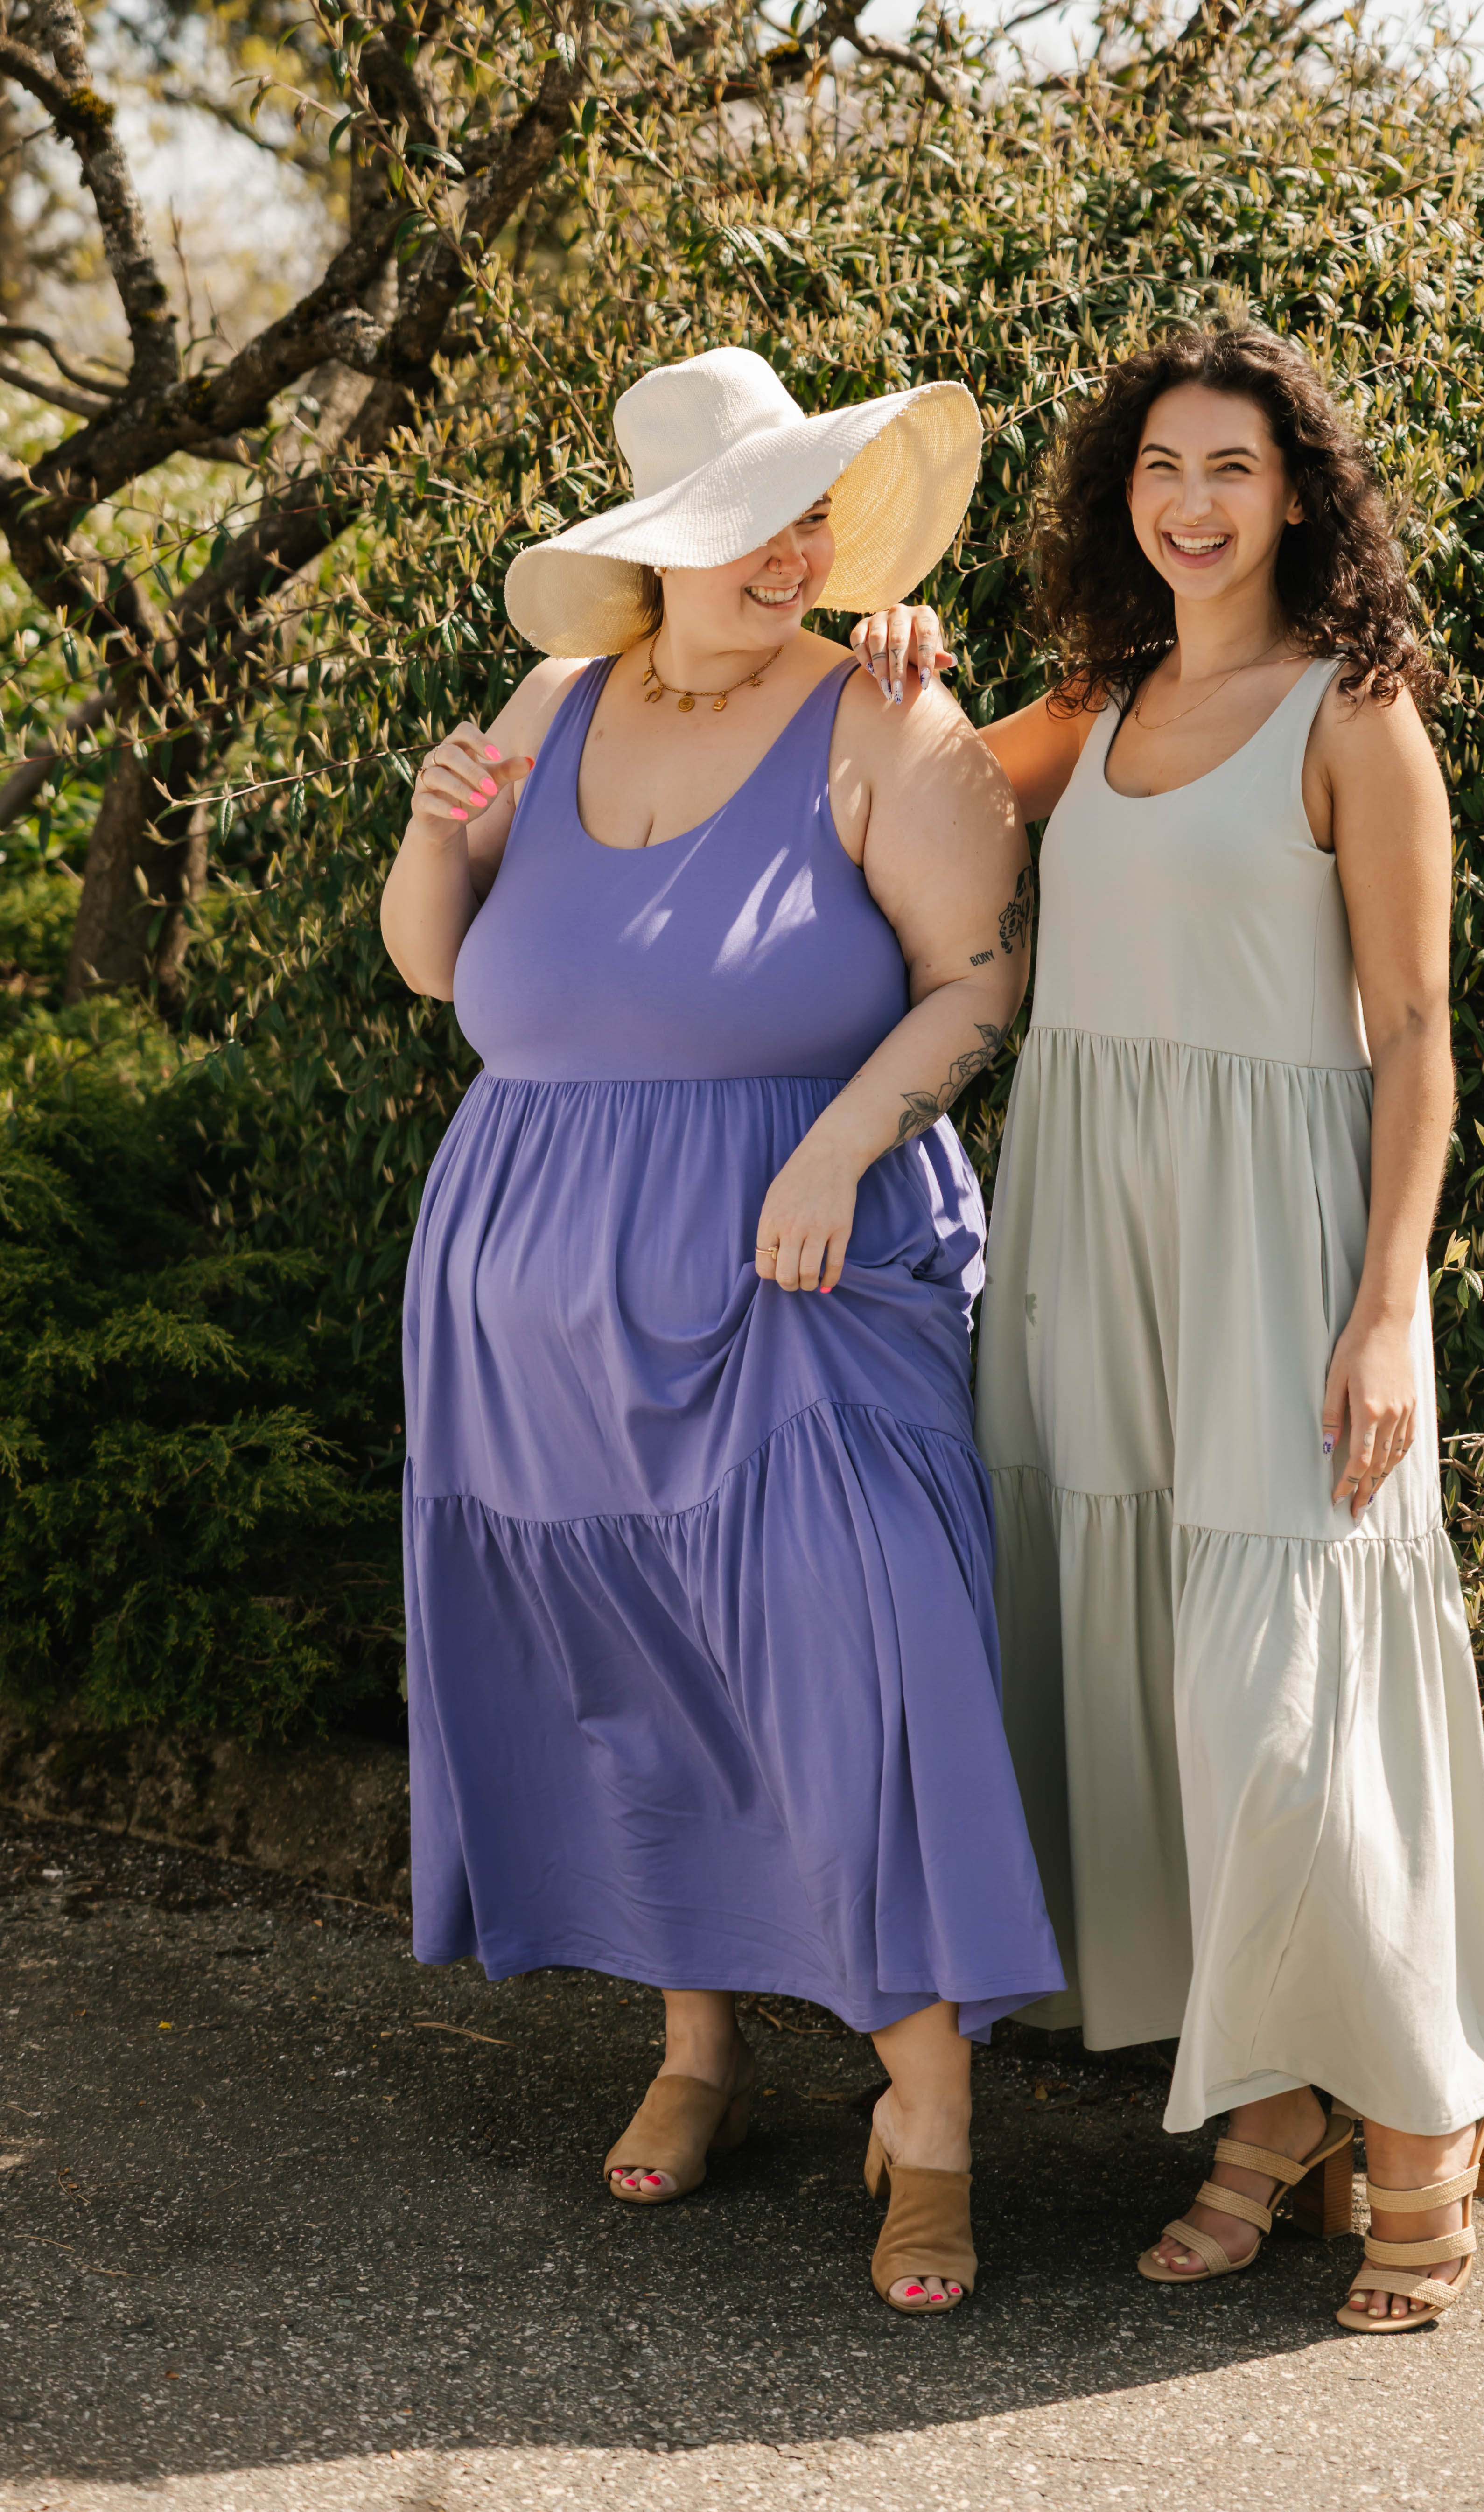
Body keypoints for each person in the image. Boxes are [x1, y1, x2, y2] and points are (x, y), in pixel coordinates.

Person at [851, 321, 1484, 2333]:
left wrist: (1388, 1310)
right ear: (1122, 497)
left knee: (1294, 1700)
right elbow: (903, 791)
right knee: (1161, 1682)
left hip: (1279, 1245)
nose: (1192, 502)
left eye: (1232, 467)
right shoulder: (1102, 700)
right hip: (1094, 1235)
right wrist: (889, 661)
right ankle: (1268, 2105)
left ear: (1298, 496)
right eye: (1160, 466)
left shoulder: (1359, 714)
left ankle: (1417, 2116)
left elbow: (1416, 1037)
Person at [379, 346, 1064, 2316]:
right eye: (749, 522)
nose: (792, 554)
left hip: (800, 1276)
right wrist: (432, 829)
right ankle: (698, 2051)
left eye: (811, 519)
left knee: (866, 1656)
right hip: (527, 1303)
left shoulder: (887, 710)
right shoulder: (549, 705)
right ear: (659, 546)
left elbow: (978, 982)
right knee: (631, 1662)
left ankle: (929, 2114)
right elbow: (438, 969)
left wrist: (840, 1147)